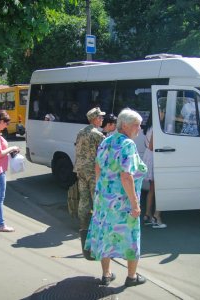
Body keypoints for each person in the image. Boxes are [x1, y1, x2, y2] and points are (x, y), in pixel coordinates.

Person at [84, 108, 147, 287]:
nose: (139, 129)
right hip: (123, 202)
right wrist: (135, 205)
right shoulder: (128, 144)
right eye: (137, 125)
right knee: (130, 236)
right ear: (125, 125)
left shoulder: (107, 140)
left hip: (105, 200)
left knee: (106, 235)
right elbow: (126, 176)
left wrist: (99, 193)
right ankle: (132, 277)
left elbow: (97, 168)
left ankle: (106, 275)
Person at [74, 107, 106, 255]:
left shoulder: (81, 132)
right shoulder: (97, 134)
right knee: (96, 198)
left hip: (80, 169)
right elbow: (107, 150)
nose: (102, 120)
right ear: (94, 119)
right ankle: (97, 227)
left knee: (84, 198)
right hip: (93, 171)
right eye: (100, 118)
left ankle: (83, 225)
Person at [142, 114, 167, 229]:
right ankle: (157, 217)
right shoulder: (157, 128)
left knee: (152, 189)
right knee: (161, 189)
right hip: (155, 158)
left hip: (149, 157)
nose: (163, 114)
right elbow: (152, 146)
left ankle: (147, 215)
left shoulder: (149, 127)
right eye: (161, 112)